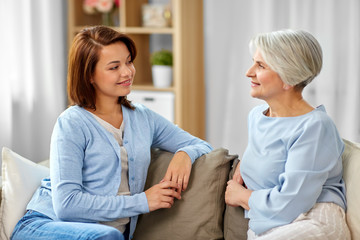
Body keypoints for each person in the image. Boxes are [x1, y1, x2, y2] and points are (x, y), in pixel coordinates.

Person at [11, 25, 212, 240]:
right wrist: (143, 201)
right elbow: (66, 205)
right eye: (114, 67)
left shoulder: (143, 118)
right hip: (46, 226)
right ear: (89, 75)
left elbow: (201, 145)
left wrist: (184, 154)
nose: (127, 72)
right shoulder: (72, 123)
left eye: (128, 62)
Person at [225, 29, 351, 240]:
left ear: (288, 78)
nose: (249, 72)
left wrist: (242, 196)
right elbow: (271, 157)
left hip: (313, 220)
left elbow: (292, 201)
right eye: (253, 62)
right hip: (269, 224)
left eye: (261, 65)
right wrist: (244, 164)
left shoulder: (315, 127)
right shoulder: (257, 116)